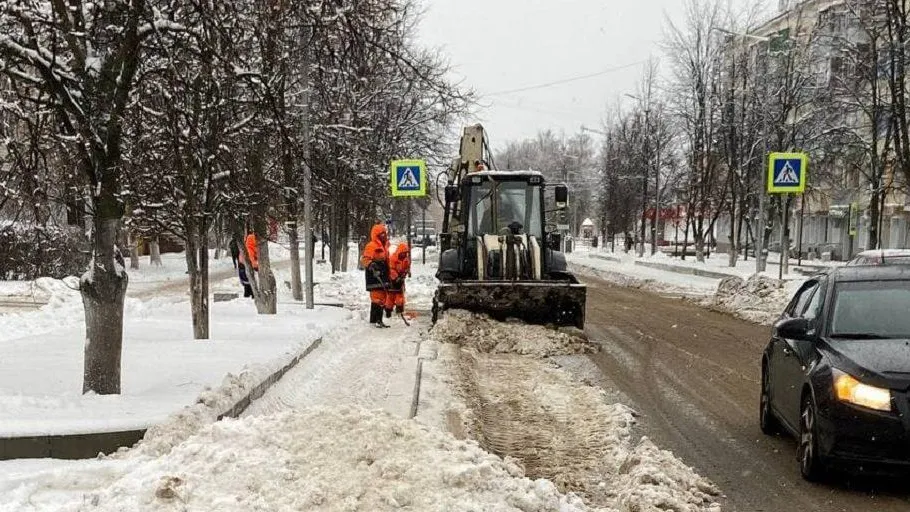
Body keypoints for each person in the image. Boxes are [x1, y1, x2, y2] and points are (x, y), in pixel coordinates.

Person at [360, 223, 390, 328]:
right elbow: (365, 259)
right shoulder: (371, 246)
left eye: (384, 233)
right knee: (377, 297)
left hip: (382, 274)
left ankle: (375, 319)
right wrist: (371, 264)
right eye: (381, 234)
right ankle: (377, 320)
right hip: (374, 275)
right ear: (376, 234)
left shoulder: (384, 246)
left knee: (382, 297)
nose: (384, 235)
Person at [385, 242, 411, 319]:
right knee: (390, 297)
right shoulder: (393, 258)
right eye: (403, 253)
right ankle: (388, 311)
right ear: (400, 251)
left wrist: (405, 274)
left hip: (400, 280)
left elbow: (407, 268)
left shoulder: (406, 260)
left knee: (400, 296)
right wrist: (396, 277)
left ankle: (399, 311)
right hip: (392, 280)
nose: (404, 254)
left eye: (406, 253)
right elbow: (391, 269)